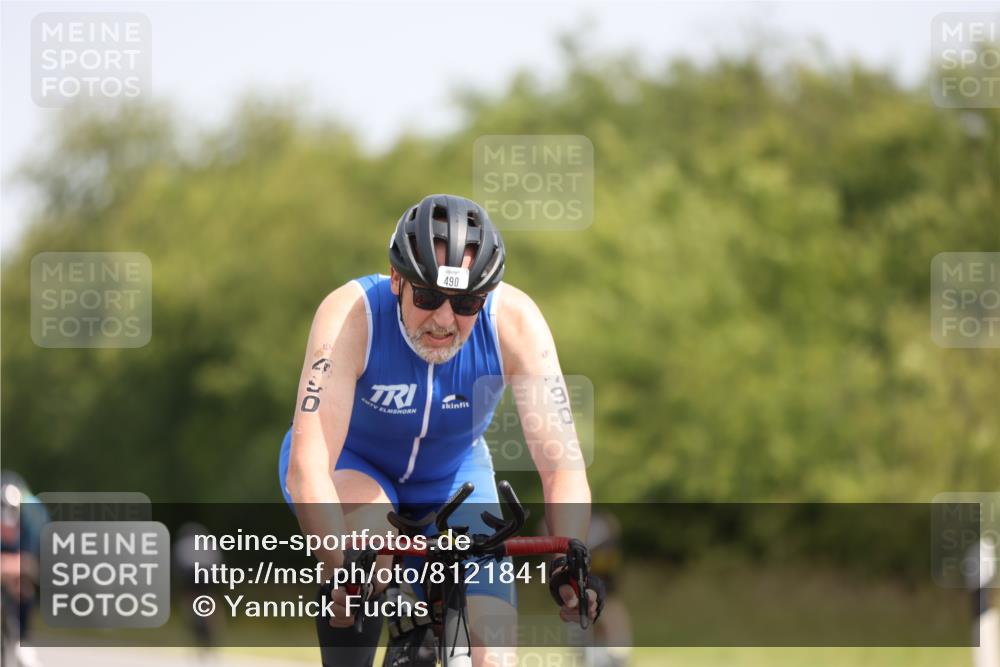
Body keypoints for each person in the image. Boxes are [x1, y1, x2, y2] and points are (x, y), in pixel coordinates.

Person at [278, 194, 604, 666]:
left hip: (454, 477)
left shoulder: (516, 321)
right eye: (427, 297)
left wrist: (568, 561)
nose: (444, 320)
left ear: (486, 296)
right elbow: (308, 470)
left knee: (494, 657)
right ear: (397, 279)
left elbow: (562, 465)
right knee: (371, 554)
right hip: (351, 466)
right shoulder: (352, 315)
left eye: (466, 301)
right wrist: (340, 574)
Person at [1, 471, 47, 667]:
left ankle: (22, 641)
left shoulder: (35, 518)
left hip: (27, 559)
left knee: (24, 588)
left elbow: (33, 563)